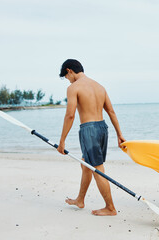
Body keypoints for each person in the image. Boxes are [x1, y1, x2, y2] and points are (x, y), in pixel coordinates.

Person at [57, 59, 126, 216]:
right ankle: (80, 199)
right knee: (86, 164)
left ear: (69, 71)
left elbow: (70, 115)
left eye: (66, 77)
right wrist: (119, 134)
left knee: (97, 168)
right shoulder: (100, 86)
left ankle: (110, 207)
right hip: (103, 127)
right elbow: (111, 112)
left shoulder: (73, 88)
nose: (68, 80)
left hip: (89, 130)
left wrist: (62, 140)